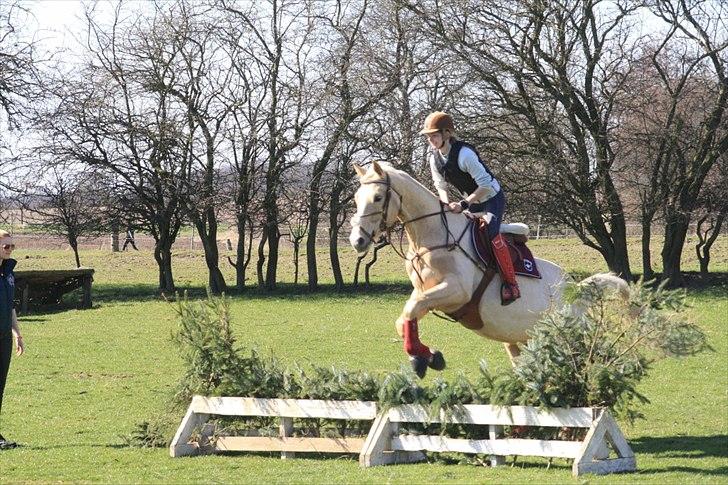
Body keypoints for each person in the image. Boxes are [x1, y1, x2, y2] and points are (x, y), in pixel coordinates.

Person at [421, 111, 520, 305]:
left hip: (491, 197)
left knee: (490, 232)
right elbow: (440, 185)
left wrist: (464, 204)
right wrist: (447, 204)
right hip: (472, 201)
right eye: (428, 136)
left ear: (447, 133)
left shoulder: (465, 154)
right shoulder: (434, 159)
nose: (431, 140)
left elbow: (486, 186)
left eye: (434, 135)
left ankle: (511, 284)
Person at [0, 230, 24, 449]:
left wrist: (17, 333)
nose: (10, 250)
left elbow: (10, 306)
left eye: (12, 246)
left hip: (4, 337)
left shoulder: (7, 272)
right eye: (6, 246)